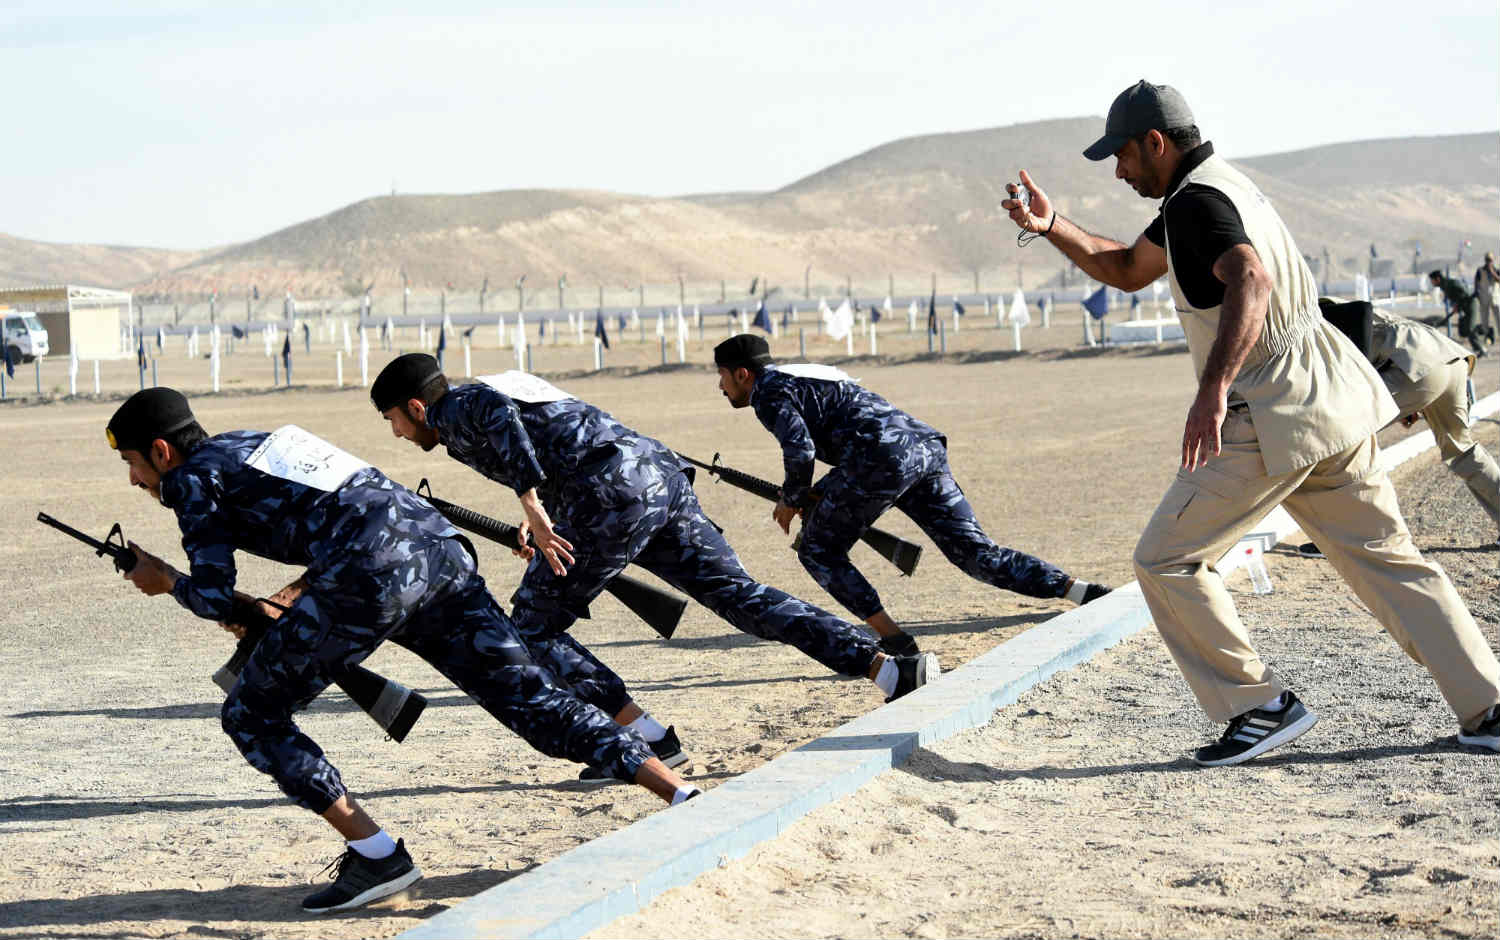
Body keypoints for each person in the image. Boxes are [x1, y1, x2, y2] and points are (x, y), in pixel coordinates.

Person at [1001, 79, 1500, 764]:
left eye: (1122, 154)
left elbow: (1252, 281)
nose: (1118, 171)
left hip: (1273, 412)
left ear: (1156, 141)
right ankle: (1489, 706)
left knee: (1165, 559)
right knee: (1392, 564)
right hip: (1335, 400)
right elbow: (1123, 269)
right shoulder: (1216, 187)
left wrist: (1213, 387)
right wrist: (1052, 225)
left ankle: (1257, 705)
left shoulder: (1195, 204)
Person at [108, 388, 699, 913]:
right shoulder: (256, 442)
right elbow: (353, 509)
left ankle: (377, 855)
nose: (136, 481)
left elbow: (210, 595)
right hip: (437, 550)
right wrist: (286, 599)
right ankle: (680, 795)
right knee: (531, 698)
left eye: (134, 463)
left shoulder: (189, 478)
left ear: (162, 451)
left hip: (367, 576)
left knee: (250, 715)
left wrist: (165, 580)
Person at [370, 357, 939, 780]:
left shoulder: (460, 407)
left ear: (417, 407)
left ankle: (643, 738)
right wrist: (539, 522)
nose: (396, 432)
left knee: (531, 626)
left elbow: (502, 423)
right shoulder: (485, 394)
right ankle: (888, 670)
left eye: (394, 418)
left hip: (612, 496)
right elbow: (561, 444)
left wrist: (535, 509)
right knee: (740, 596)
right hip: (655, 479)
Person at [713, 334, 1111, 650]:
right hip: (921, 448)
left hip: (878, 460)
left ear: (743, 374)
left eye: (723, 376)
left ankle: (894, 640)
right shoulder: (805, 374)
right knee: (974, 552)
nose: (721, 386)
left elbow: (800, 449)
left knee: (817, 550)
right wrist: (818, 493)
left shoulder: (768, 391)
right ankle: (1078, 590)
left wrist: (792, 498)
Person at [1300, 298, 1499, 554]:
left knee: (1343, 438)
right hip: (1448, 360)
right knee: (1463, 451)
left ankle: (1346, 536)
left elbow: (1362, 311)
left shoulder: (1305, 311)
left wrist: (1360, 383)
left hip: (1413, 366)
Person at [1429, 269, 1487, 356]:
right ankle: (1480, 344)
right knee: (1465, 329)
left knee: (1470, 328)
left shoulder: (1450, 283)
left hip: (1471, 304)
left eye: (1432, 280)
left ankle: (1481, 348)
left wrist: (1458, 305)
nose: (1431, 283)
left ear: (1437, 279)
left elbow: (1464, 293)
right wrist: (1457, 305)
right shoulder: (1444, 285)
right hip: (1465, 306)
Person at [1474, 252, 1499, 348]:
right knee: (1484, 320)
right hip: (1484, 298)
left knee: (1499, 318)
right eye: (1487, 260)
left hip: (1495, 299)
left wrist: (1492, 272)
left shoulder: (1496, 270)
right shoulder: (1480, 271)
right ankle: (1487, 337)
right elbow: (1476, 283)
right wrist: (1477, 294)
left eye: (1490, 260)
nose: (1489, 262)